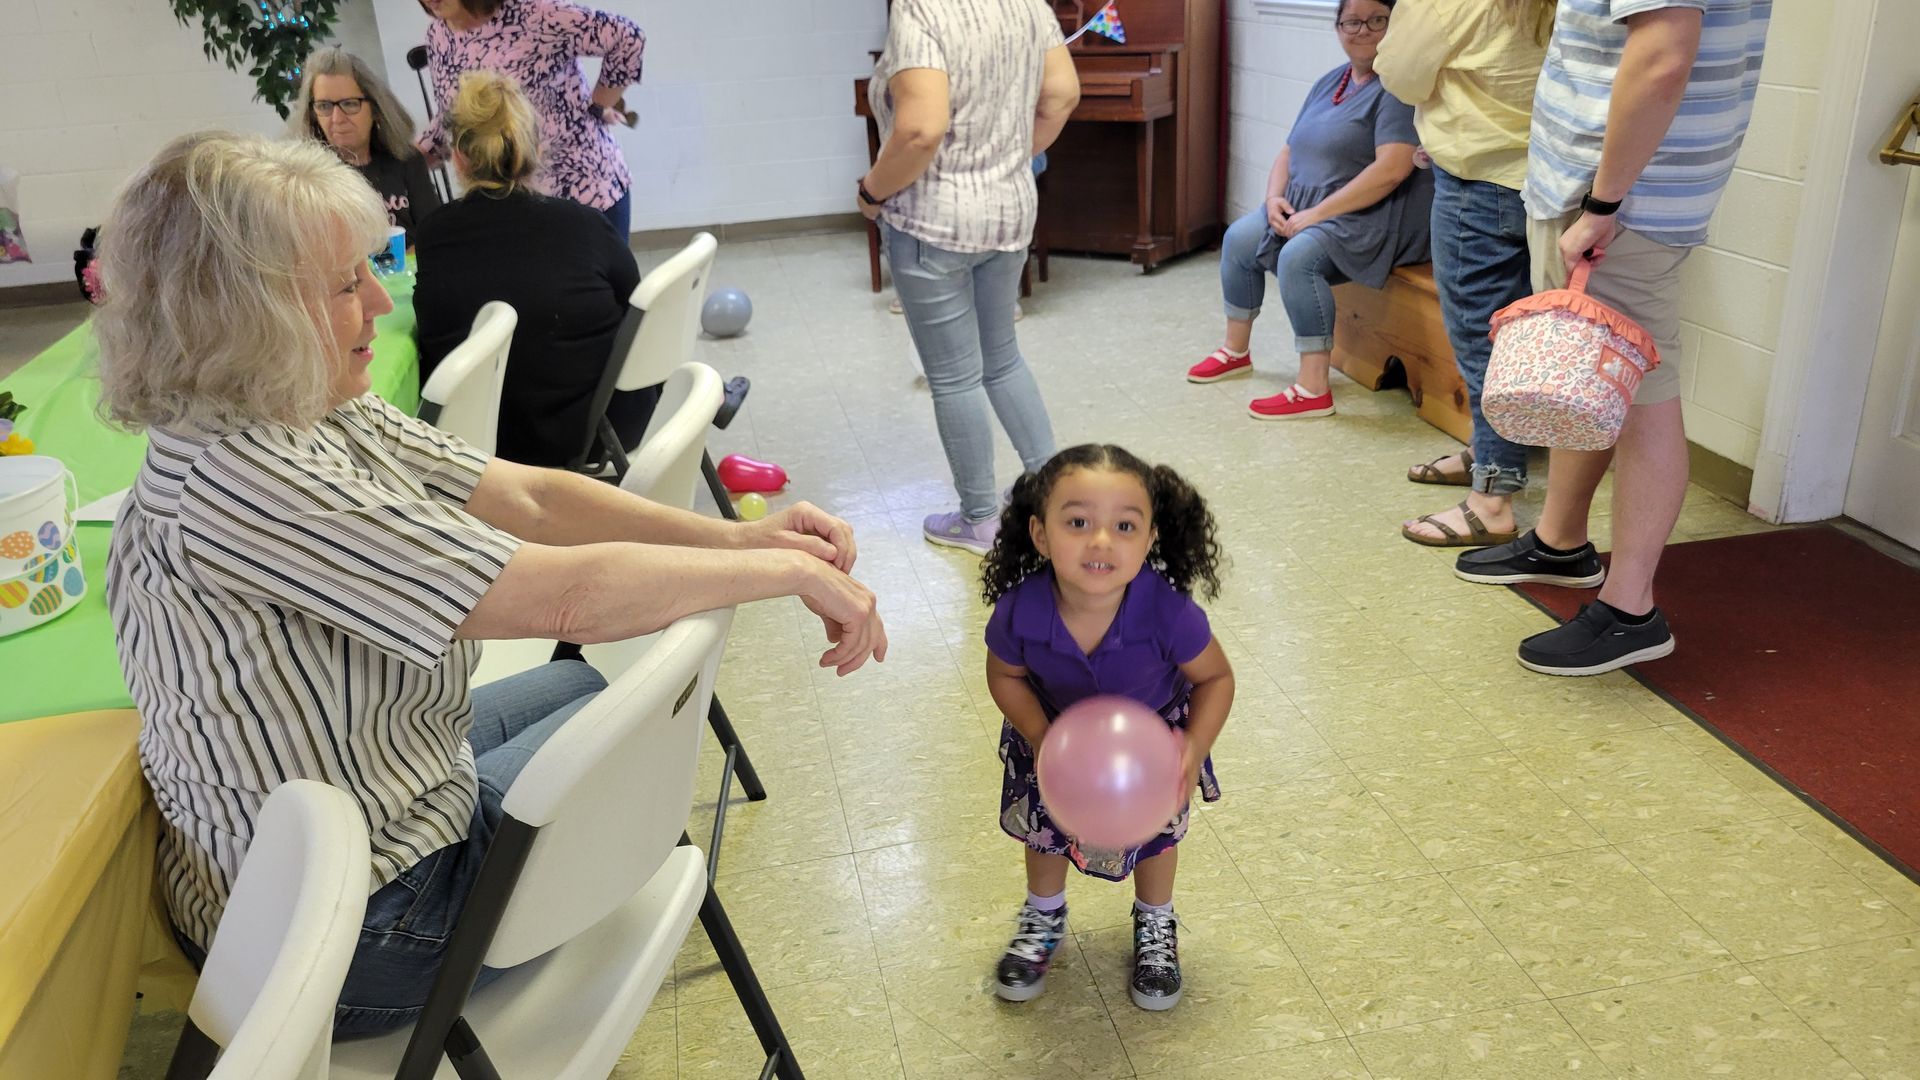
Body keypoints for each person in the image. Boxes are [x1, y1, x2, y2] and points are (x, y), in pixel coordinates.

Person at [92, 132, 886, 1035]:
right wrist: (778, 571)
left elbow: (531, 498)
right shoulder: (246, 481)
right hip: (344, 931)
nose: (380, 301)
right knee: (603, 714)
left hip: (371, 808)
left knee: (580, 689)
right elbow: (565, 597)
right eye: (346, 287)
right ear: (244, 317)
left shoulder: (299, 405)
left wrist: (743, 540)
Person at [1455, 0, 1771, 675]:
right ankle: (1560, 541)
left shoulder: (1614, 203)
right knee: (1586, 376)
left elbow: (1662, 56)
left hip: (1621, 200)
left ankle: (1631, 610)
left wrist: (1603, 203)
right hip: (1616, 188)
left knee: (1641, 397)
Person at [980, 444, 1234, 1011]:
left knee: (1156, 838)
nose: (1101, 541)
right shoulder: (1020, 610)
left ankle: (1156, 924)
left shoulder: (1168, 612)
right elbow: (1004, 675)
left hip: (1151, 751)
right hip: (1051, 739)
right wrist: (1043, 738)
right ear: (1040, 534)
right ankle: (1043, 916)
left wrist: (1193, 746)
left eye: (1124, 526)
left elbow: (1216, 678)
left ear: (1150, 540)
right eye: (1077, 523)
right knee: (1044, 832)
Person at [859, 0, 1080, 555]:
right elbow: (1061, 95)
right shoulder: (1028, 5)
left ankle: (980, 519)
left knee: (955, 378)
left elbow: (920, 130)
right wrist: (1003, 160)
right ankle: (1056, 497)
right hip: (1009, 211)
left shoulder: (921, 11)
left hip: (932, 223)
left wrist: (872, 192)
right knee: (1002, 359)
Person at [1185, 0, 1433, 421]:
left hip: (1372, 215)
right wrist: (1272, 199)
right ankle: (1235, 351)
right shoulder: (1330, 81)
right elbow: (1288, 149)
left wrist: (1316, 215)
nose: (1363, 30)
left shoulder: (1397, 88)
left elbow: (1391, 171)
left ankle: (1313, 388)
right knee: (1240, 238)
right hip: (1310, 205)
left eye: (1377, 20)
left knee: (1298, 258)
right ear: (1338, 29)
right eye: (1352, 21)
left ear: (1396, 26)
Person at [1376, 0, 1552, 546]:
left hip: (1478, 183)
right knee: (1521, 338)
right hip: (1549, 180)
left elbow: (1399, 73)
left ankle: (1492, 500)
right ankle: (1487, 451)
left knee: (1484, 346)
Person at [413, 71, 653, 468]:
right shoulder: (586, 224)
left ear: (458, 157)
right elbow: (639, 311)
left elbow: (431, 331)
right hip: (597, 432)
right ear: (537, 149)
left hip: (483, 444)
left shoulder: (434, 235)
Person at [416, 0, 645, 236]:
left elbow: (627, 38)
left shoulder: (534, 12)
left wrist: (599, 104)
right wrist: (408, 163)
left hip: (585, 196)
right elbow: (451, 115)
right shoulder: (438, 35)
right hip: (512, 212)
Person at [289, 45, 444, 244]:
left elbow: (435, 236)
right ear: (312, 114)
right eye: (324, 106)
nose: (337, 118)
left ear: (376, 109)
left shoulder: (407, 160)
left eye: (350, 104)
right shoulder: (307, 179)